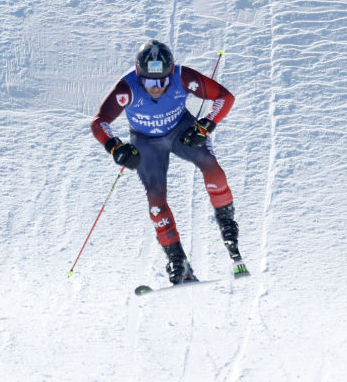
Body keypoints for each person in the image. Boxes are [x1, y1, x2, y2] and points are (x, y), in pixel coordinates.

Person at [90, 40, 245, 283]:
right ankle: (177, 261)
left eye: (162, 81)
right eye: (150, 82)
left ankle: (226, 222)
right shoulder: (127, 87)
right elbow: (99, 121)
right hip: (146, 142)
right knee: (156, 199)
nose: (156, 87)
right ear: (139, 76)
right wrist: (114, 147)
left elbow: (225, 97)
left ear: (170, 73)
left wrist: (207, 124)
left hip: (181, 130)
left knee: (211, 166)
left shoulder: (182, 77)